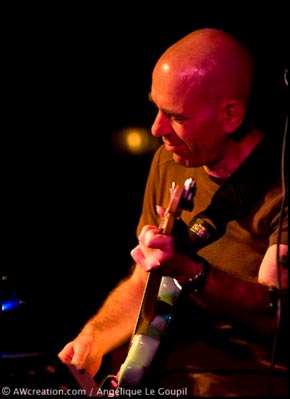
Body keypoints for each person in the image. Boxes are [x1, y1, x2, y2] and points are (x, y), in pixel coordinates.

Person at [58, 28, 288, 397]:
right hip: (156, 378)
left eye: (175, 116)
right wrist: (94, 336)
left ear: (230, 115)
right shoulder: (170, 160)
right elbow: (147, 279)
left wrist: (190, 270)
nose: (157, 128)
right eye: (156, 108)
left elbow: (275, 316)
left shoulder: (282, 186)